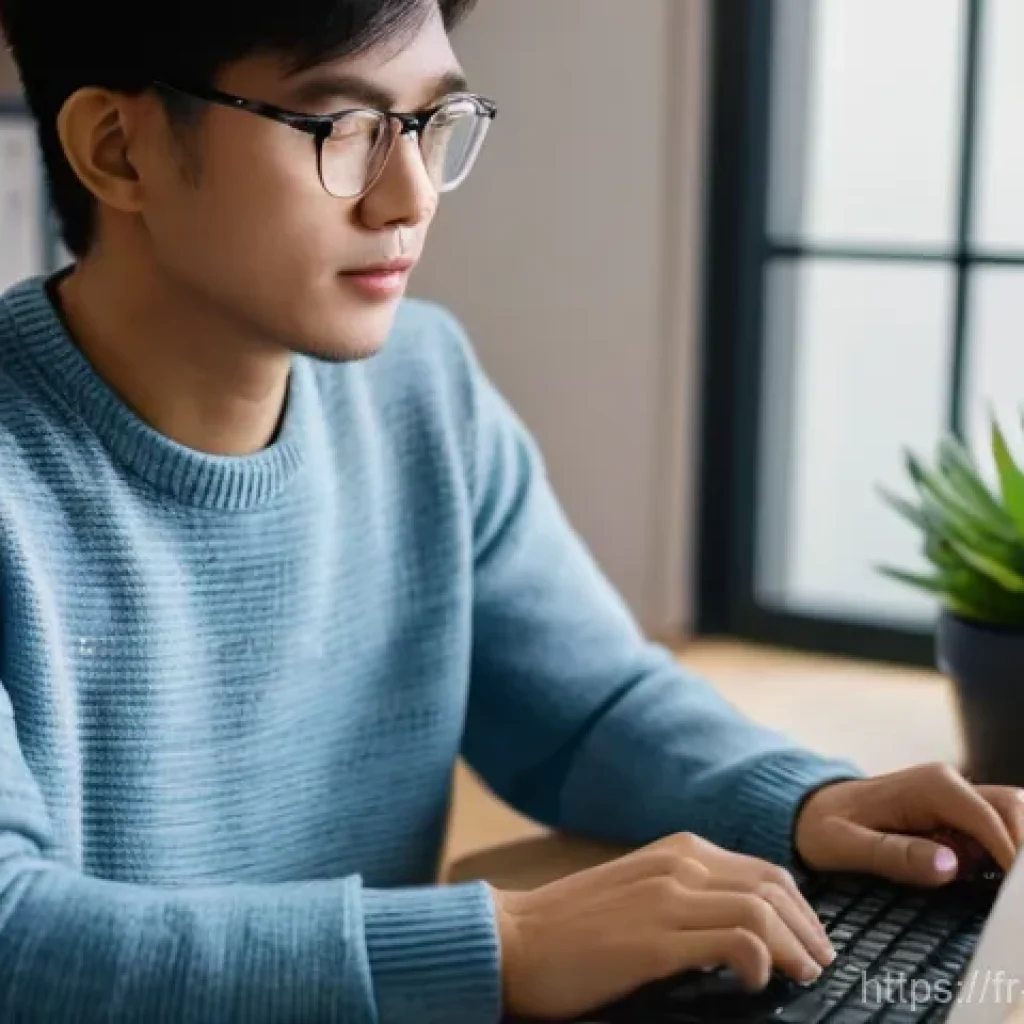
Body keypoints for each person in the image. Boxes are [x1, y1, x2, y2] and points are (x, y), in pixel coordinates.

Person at [0, 1, 1019, 1021]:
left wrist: (801, 801)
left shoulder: (422, 384)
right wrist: (507, 943)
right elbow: (16, 935)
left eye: (430, 123)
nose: (410, 195)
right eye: (343, 128)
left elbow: (583, 706)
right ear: (118, 149)